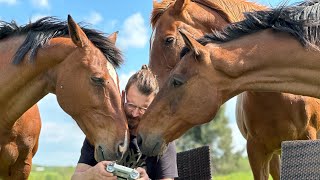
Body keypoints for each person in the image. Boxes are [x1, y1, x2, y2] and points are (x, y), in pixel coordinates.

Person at [72, 65, 178, 180]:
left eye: (143, 109)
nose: (135, 113)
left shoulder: (160, 139)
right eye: (131, 105)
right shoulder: (102, 130)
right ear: (123, 97)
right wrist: (92, 174)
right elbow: (76, 178)